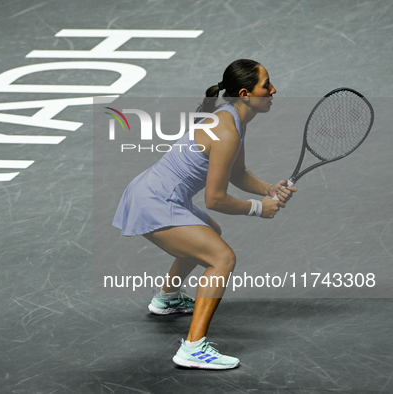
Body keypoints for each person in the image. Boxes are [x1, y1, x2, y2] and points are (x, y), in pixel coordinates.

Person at [112, 59, 296, 370]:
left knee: (209, 232)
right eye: (266, 85)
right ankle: (193, 348)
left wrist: (268, 190)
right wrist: (257, 209)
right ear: (245, 93)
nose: (273, 90)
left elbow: (236, 172)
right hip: (155, 200)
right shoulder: (226, 130)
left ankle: (167, 298)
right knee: (221, 258)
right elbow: (215, 199)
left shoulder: (232, 119)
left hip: (150, 191)